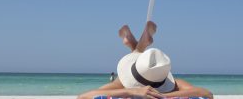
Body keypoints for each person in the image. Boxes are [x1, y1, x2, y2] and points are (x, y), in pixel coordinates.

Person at [78, 21, 213, 99]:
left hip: (130, 84)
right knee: (146, 66)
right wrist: (163, 94)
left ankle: (138, 46)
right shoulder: (175, 84)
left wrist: (130, 91)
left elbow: (83, 97)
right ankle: (137, 45)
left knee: (139, 68)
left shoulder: (122, 85)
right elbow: (207, 94)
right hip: (152, 84)